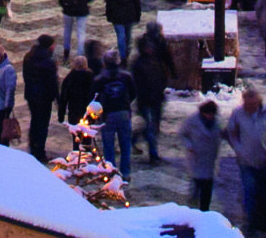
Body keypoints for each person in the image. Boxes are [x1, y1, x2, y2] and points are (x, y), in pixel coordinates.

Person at [224, 85, 266, 236]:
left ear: (258, 102)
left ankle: (263, 221)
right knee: (249, 192)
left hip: (265, 162)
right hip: (246, 162)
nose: (249, 107)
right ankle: (251, 222)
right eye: (247, 104)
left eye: (252, 104)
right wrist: (239, 149)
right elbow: (231, 133)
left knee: (264, 193)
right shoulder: (238, 114)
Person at [94, 54, 139, 182]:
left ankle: (111, 172)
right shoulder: (126, 76)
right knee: (125, 144)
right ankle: (126, 172)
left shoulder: (100, 79)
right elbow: (133, 93)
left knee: (108, 145)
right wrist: (125, 103)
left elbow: (94, 97)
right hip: (123, 112)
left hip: (107, 114)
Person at [133, 25, 174, 163]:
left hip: (156, 97)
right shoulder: (139, 64)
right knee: (150, 127)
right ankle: (153, 154)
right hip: (146, 99)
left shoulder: (156, 61)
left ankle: (133, 139)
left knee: (151, 126)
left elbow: (161, 77)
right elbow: (136, 84)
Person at [178, 99, 224, 211]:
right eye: (208, 114)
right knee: (195, 187)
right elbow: (182, 134)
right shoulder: (192, 121)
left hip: (210, 160)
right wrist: (189, 146)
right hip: (196, 159)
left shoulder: (217, 123)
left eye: (212, 114)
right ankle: (193, 211)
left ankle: (204, 211)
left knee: (207, 189)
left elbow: (221, 135)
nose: (210, 116)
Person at [24, 34, 61, 159]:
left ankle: (32, 146)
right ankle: (39, 151)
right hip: (44, 97)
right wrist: (58, 99)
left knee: (34, 121)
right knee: (43, 124)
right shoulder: (48, 62)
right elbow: (53, 83)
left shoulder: (28, 57)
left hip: (31, 95)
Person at [105, 0, 145, 65]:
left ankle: (123, 58)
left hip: (117, 14)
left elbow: (109, 0)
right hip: (130, 13)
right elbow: (137, 2)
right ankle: (126, 52)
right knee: (128, 35)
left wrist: (108, 14)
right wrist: (138, 15)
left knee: (120, 36)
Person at [60, 48, 99, 142]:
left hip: (74, 112)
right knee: (87, 138)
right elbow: (96, 95)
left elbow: (63, 97)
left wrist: (61, 115)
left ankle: (76, 153)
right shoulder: (91, 77)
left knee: (76, 138)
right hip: (88, 112)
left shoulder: (69, 78)